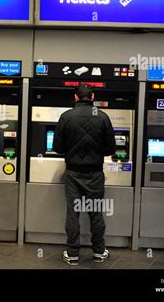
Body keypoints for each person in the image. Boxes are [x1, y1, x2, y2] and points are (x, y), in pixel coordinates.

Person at [53, 84, 116, 266]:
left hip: (73, 173)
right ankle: (98, 251)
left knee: (73, 213)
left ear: (76, 97)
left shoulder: (66, 116)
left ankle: (72, 254)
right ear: (93, 96)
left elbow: (58, 148)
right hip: (95, 173)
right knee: (95, 213)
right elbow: (110, 148)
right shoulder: (103, 117)